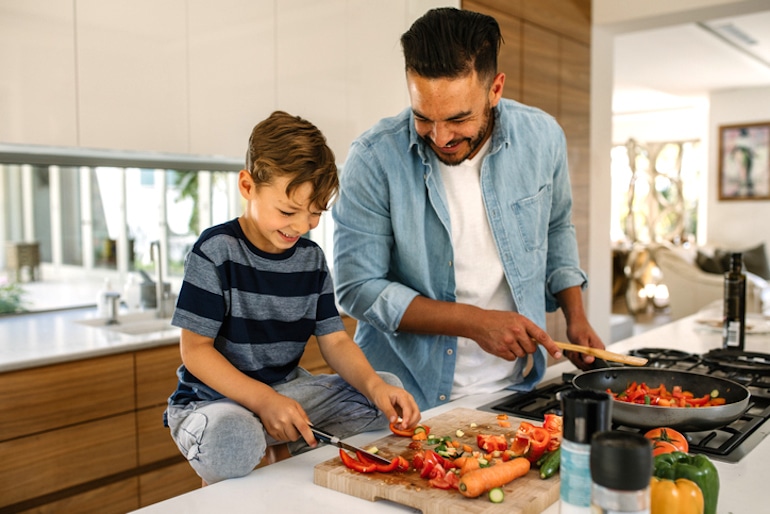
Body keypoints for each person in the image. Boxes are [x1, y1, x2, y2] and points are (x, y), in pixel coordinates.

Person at [332, 8, 605, 411]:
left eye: (458, 118)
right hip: (402, 397)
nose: (440, 137)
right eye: (423, 117)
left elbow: (556, 226)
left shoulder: (543, 137)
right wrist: (474, 322)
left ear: (495, 90)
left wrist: (575, 314)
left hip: (516, 389)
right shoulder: (373, 159)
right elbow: (357, 289)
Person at [165, 111, 420, 485]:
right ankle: (262, 445)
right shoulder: (215, 251)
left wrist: (376, 386)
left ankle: (273, 446)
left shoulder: (311, 259)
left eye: (315, 213)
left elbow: (334, 340)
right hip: (214, 402)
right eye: (287, 211)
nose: (301, 227)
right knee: (232, 436)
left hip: (285, 392)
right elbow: (196, 351)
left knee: (381, 393)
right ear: (248, 186)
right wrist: (263, 402)